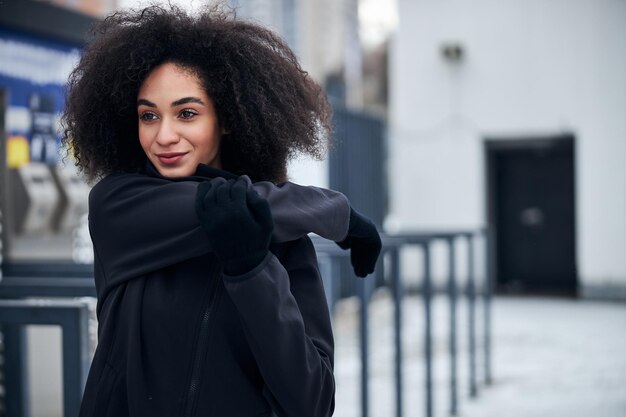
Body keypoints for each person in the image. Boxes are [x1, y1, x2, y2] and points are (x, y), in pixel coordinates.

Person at [62, 5, 381, 417]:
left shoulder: (282, 239)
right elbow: (224, 205)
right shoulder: (119, 204)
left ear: (227, 118)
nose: (164, 136)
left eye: (187, 113)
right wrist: (340, 214)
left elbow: (312, 402)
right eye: (148, 115)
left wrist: (251, 272)